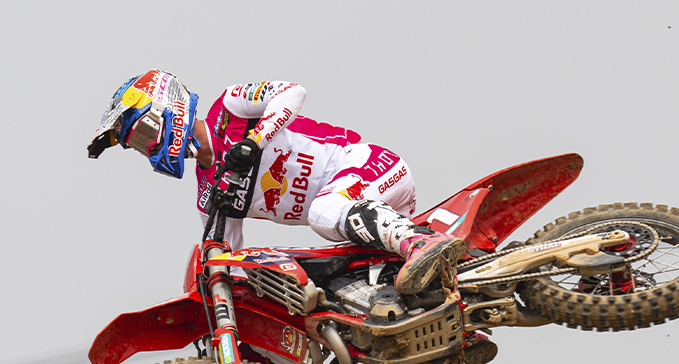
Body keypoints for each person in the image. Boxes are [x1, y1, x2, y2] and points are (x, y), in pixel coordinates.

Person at [87, 69, 466, 294]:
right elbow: (231, 262)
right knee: (339, 286)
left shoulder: (229, 107)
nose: (148, 149)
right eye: (138, 146)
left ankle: (421, 242)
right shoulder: (210, 194)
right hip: (356, 220)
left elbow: (292, 92)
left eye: (144, 135)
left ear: (166, 108)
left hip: (368, 166)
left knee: (322, 211)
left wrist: (254, 141)